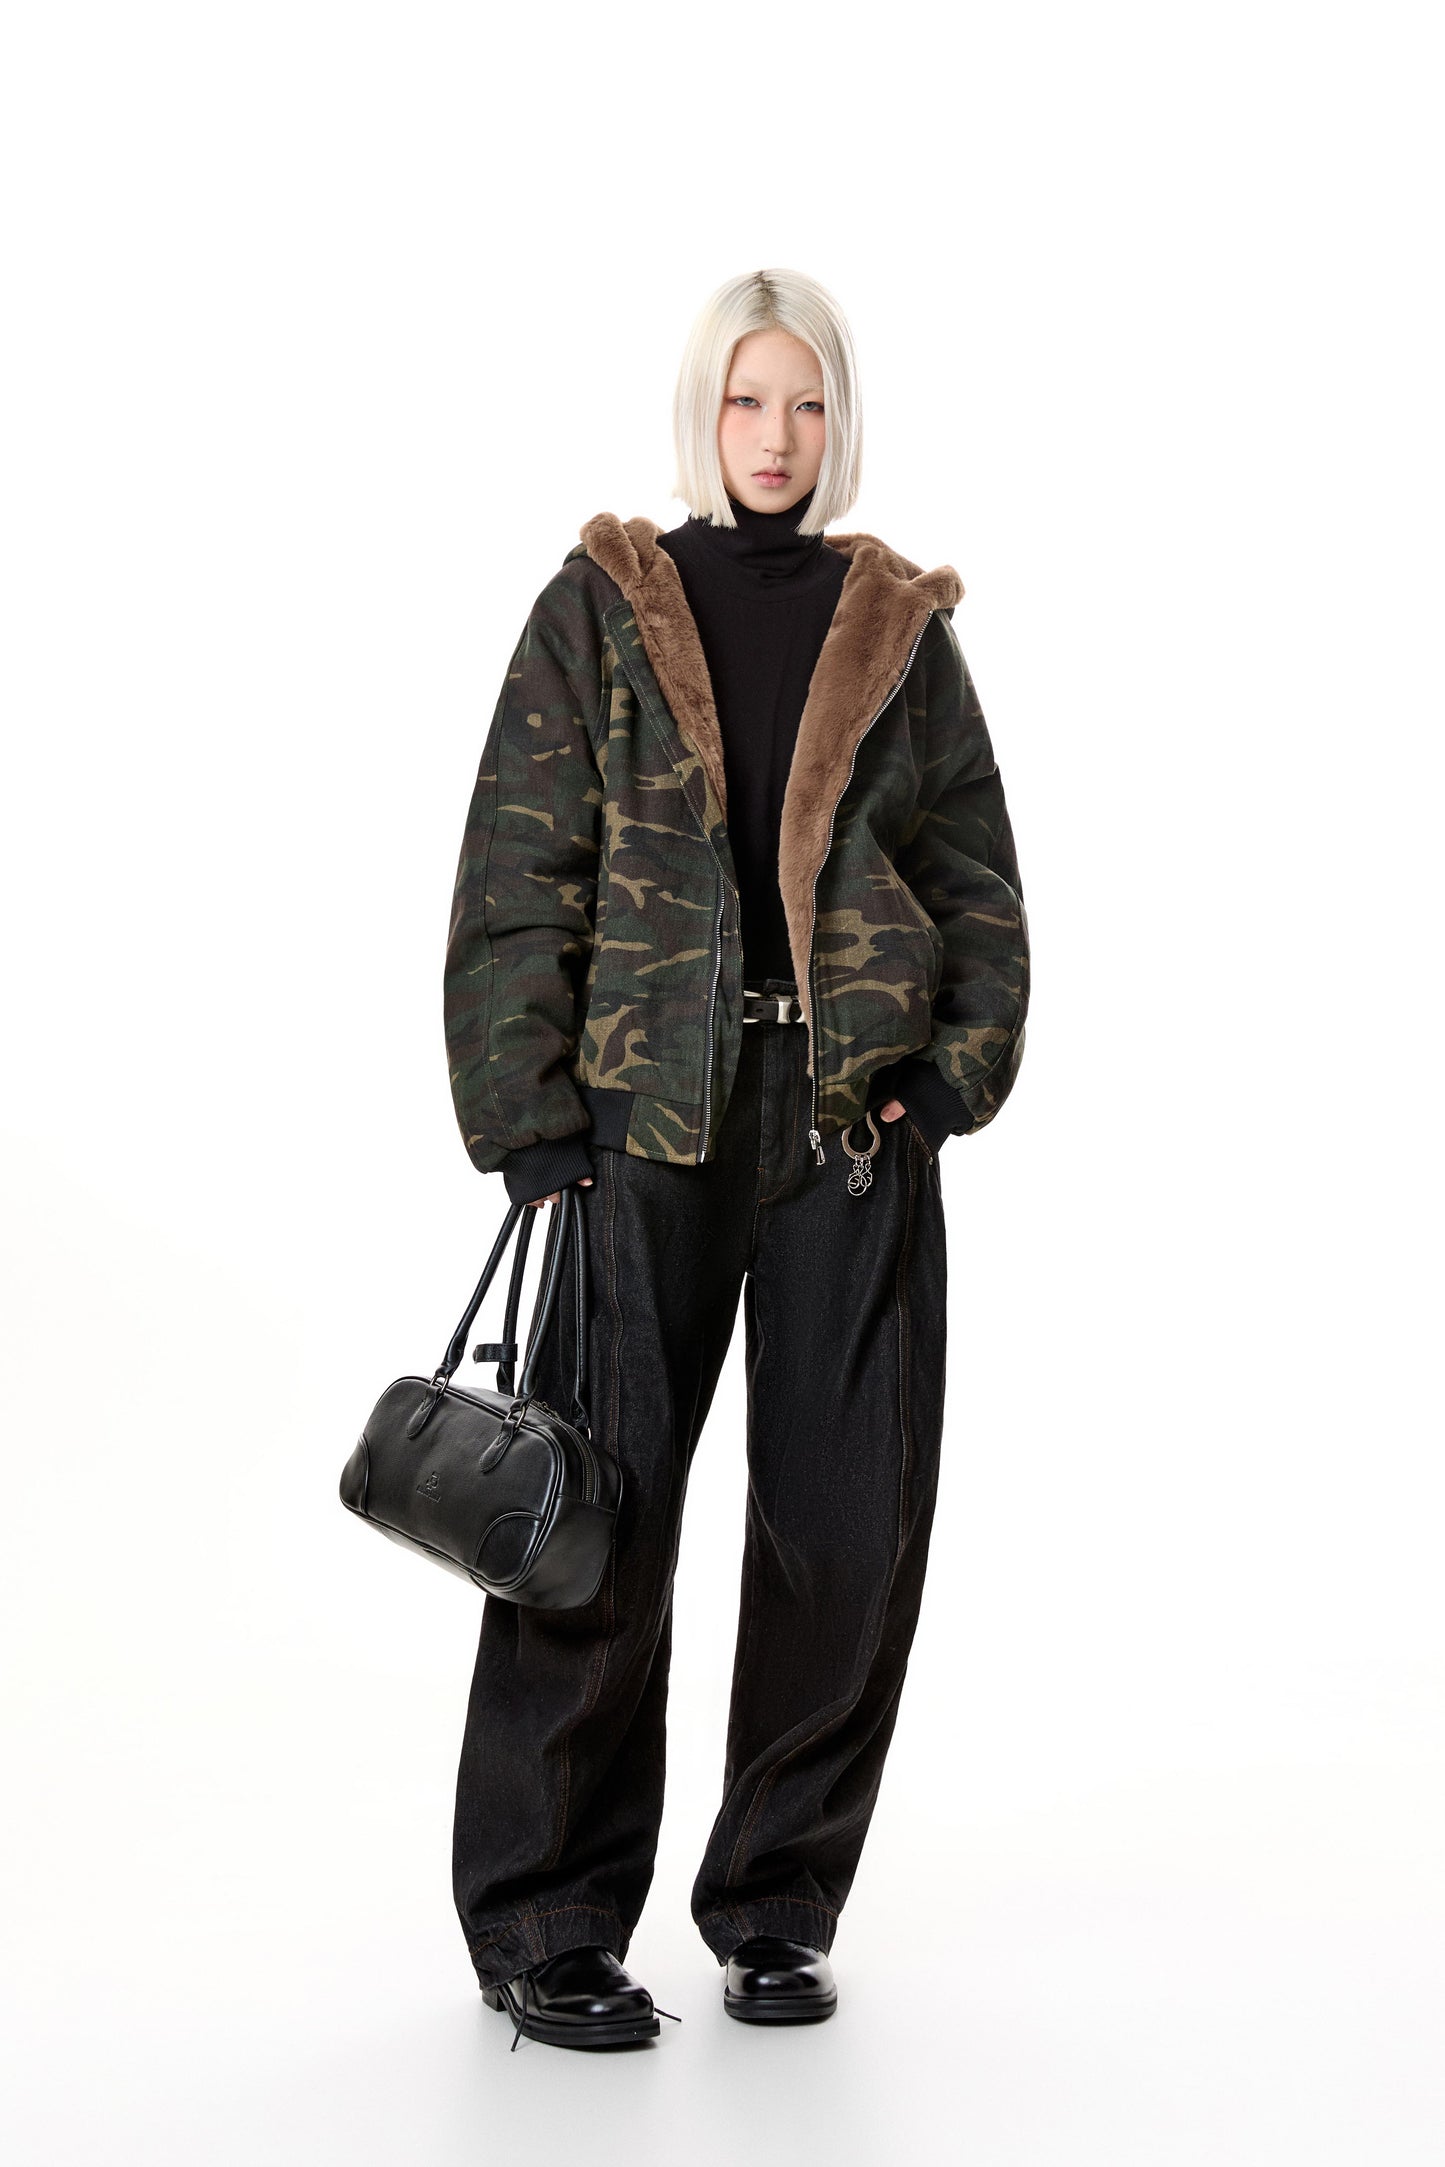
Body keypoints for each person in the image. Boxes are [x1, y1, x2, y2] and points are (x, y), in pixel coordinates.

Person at [442, 267, 1030, 2050]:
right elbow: (518, 868)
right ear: (702, 412)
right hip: (640, 1129)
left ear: (839, 421)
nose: (776, 436)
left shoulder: (898, 628)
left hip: (847, 1136)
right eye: (746, 400)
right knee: (589, 1531)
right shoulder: (600, 608)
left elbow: (978, 886)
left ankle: (777, 1904)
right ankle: (548, 1922)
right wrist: (532, 1123)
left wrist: (943, 1084)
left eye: (807, 403)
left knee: (845, 1533)